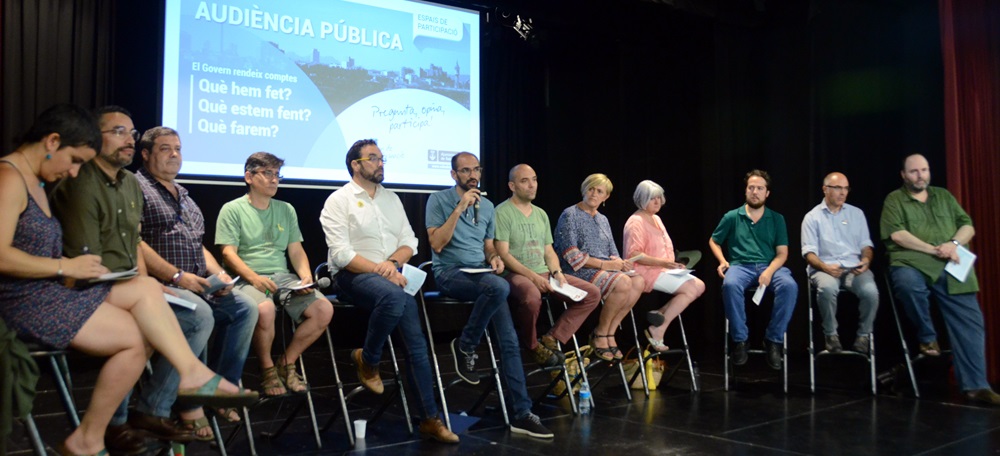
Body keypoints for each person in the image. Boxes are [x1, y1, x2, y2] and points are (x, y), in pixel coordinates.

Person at [0, 105, 254, 456]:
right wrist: (65, 267)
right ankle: (97, 434)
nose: (73, 172)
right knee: (145, 327)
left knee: (146, 297)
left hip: (48, 290)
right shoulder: (9, 176)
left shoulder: (38, 180)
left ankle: (96, 432)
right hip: (24, 300)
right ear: (52, 141)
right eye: (74, 160)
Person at [49, 106, 220, 449]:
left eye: (130, 132)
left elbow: (134, 247)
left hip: (130, 283)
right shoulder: (81, 181)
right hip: (91, 286)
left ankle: (155, 409)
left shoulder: (128, 183)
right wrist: (156, 283)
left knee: (212, 312)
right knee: (195, 315)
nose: (128, 139)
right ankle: (130, 417)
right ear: (92, 139)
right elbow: (87, 261)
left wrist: (148, 286)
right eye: (118, 132)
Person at [319, 139, 458, 443]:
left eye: (382, 158)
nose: (381, 163)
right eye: (373, 158)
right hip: (351, 276)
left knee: (417, 343)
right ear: (355, 165)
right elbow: (341, 254)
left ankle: (429, 419)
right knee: (394, 295)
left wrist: (393, 263)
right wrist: (381, 269)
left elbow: (411, 241)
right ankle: (369, 359)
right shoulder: (338, 200)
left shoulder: (392, 199)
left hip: (390, 276)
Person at [136, 126, 259, 432]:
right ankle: (166, 405)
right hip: (160, 286)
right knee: (199, 313)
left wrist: (218, 275)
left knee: (245, 308)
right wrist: (177, 276)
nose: (175, 154)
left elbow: (197, 244)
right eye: (165, 149)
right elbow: (135, 243)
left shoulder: (186, 197)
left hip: (196, 284)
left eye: (178, 148)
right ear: (146, 154)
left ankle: (218, 390)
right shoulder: (137, 188)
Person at [425, 152, 554, 439]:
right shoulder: (438, 200)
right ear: (453, 175)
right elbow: (436, 244)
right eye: (466, 170)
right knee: (500, 287)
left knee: (509, 340)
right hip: (449, 272)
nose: (473, 175)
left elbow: (488, 247)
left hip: (482, 275)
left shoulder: (489, 206)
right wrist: (459, 208)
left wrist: (494, 258)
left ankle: (522, 413)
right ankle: (466, 344)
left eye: (477, 169)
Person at [880, 154, 999, 405]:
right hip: (912, 260)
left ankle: (976, 386)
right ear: (903, 175)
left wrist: (953, 244)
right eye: (914, 171)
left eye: (924, 170)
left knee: (971, 320)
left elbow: (968, 225)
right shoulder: (895, 199)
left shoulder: (943, 196)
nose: (920, 175)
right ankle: (927, 337)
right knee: (908, 285)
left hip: (951, 262)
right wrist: (934, 249)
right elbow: (899, 236)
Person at [217, 152, 334, 397]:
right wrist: (253, 277)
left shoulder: (286, 209)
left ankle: (286, 362)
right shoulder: (232, 209)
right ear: (249, 177)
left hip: (281, 276)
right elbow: (228, 254)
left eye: (277, 175)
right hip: (246, 276)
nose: (274, 180)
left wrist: (305, 278)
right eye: (267, 173)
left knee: (324, 310)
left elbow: (296, 250)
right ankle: (267, 368)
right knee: (265, 309)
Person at [494, 164, 600, 367]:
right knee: (532, 297)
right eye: (525, 181)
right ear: (512, 186)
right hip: (515, 273)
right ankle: (532, 345)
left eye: (534, 179)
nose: (532, 185)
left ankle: (553, 338)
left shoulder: (541, 214)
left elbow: (549, 251)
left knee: (592, 294)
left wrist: (557, 272)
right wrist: (533, 277)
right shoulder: (503, 212)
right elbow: (503, 254)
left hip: (544, 272)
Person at [708, 169, 797, 370]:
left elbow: (782, 253)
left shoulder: (776, 219)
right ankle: (740, 340)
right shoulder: (732, 216)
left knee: (789, 286)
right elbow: (714, 240)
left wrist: (768, 272)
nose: (755, 192)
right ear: (746, 191)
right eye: (751, 188)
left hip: (770, 265)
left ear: (767, 193)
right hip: (741, 265)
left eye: (760, 188)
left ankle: (773, 340)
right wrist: (723, 261)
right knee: (730, 284)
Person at [553, 173, 645, 362]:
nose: (594, 194)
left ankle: (610, 333)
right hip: (579, 270)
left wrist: (621, 263)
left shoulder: (603, 219)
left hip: (605, 270)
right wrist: (607, 264)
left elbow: (613, 251)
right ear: (584, 189)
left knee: (639, 281)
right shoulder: (570, 214)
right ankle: (600, 334)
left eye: (599, 191)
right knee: (622, 283)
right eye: (591, 189)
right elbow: (571, 255)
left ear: (606, 197)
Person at [623, 180, 705, 353]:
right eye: (652, 198)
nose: (657, 202)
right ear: (641, 199)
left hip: (663, 269)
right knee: (691, 289)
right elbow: (634, 255)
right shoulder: (635, 221)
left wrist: (675, 264)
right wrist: (664, 263)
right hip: (644, 271)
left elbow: (664, 249)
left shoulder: (656, 218)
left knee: (700, 285)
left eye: (659, 198)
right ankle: (657, 329)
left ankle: (660, 314)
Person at [800, 172, 878, 354]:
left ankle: (864, 336)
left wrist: (866, 260)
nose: (843, 192)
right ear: (825, 190)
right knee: (827, 289)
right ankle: (831, 334)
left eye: (846, 188)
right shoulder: (812, 217)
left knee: (871, 292)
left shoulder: (856, 214)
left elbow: (866, 245)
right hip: (824, 268)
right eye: (838, 188)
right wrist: (825, 267)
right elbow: (808, 253)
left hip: (853, 269)